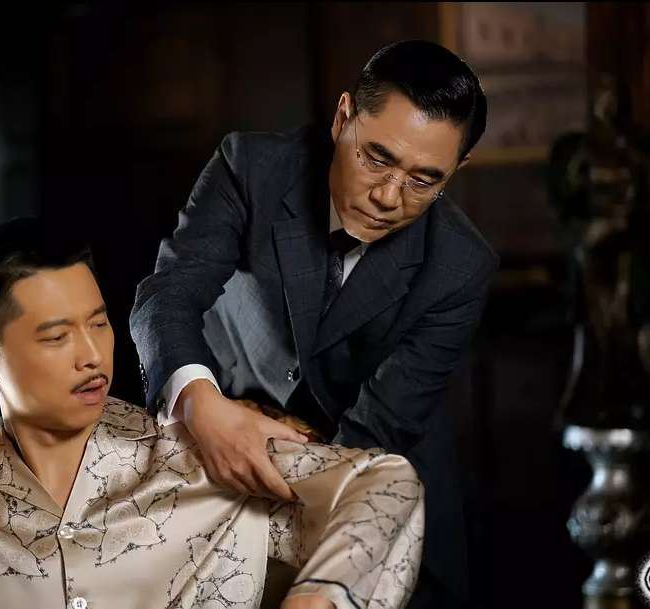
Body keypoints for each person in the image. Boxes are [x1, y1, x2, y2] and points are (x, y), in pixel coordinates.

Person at [0, 218, 423, 609]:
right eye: (56, 337)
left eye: (99, 323)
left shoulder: (195, 456)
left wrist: (319, 598)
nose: (92, 356)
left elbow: (384, 483)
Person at [130, 40, 497, 608]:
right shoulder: (250, 168)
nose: (388, 197)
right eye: (376, 158)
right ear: (343, 117)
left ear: (457, 169)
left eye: (424, 180)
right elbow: (167, 296)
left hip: (374, 479)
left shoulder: (461, 264)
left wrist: (273, 444)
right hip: (221, 443)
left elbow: (380, 425)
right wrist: (203, 406)